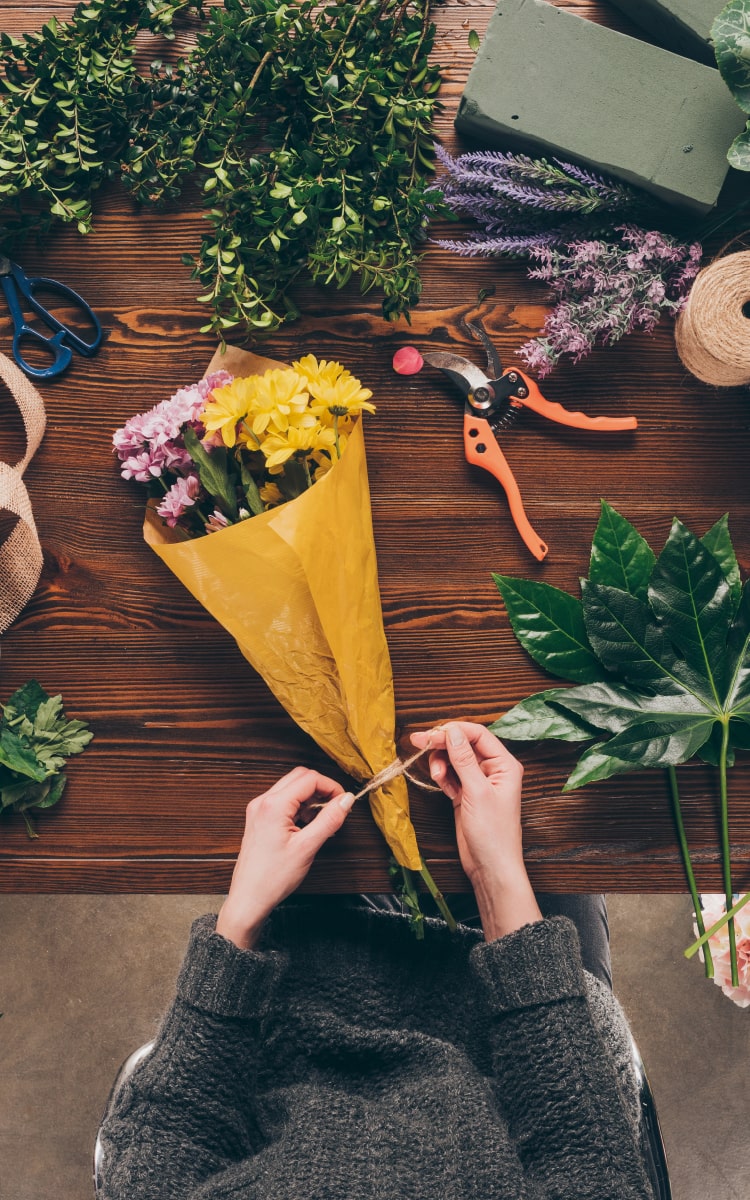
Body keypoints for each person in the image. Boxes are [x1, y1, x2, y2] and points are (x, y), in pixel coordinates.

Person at [97, 722, 655, 1199]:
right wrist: (496, 874)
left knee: (309, 770)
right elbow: (585, 1155)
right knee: (563, 841)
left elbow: (167, 1142)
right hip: (521, 1055)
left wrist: (243, 913)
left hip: (291, 1017)